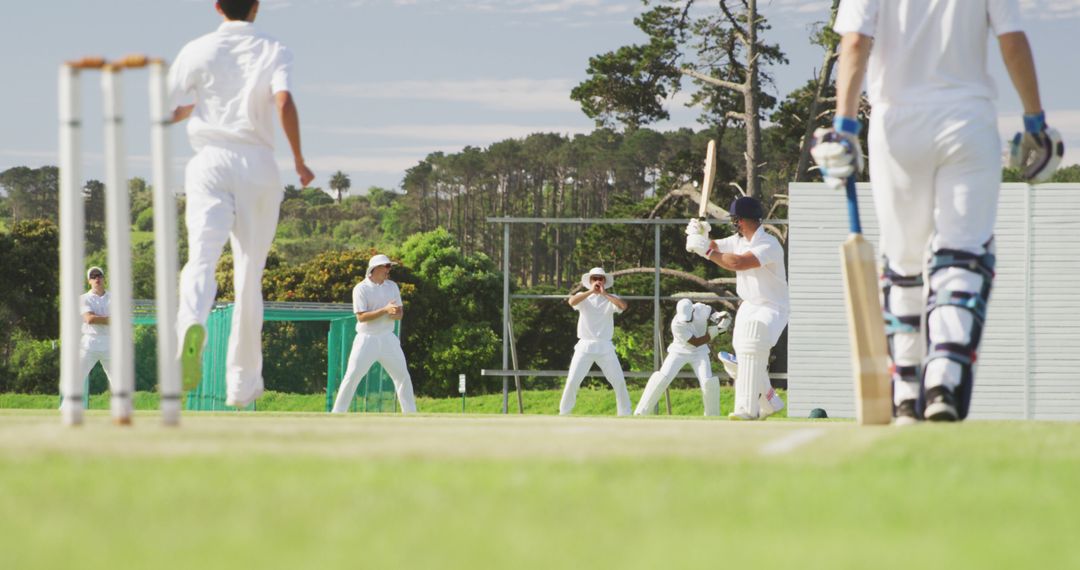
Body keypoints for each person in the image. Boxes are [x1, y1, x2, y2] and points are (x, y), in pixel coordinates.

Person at [810, 0, 1061, 423]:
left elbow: (854, 43)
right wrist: (1035, 121)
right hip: (967, 120)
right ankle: (943, 377)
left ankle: (906, 390)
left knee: (904, 260)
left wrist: (845, 126)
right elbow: (1013, 41)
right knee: (961, 253)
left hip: (897, 125)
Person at [167, 0, 315, 408]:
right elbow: (283, 102)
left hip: (208, 161)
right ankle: (241, 384)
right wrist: (299, 160)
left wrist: (188, 112)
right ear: (256, 7)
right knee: (249, 273)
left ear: (217, 7)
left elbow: (170, 109)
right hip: (258, 165)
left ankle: (189, 332)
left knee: (200, 257)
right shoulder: (273, 48)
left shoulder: (196, 49)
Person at [686, 197, 789, 420]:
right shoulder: (738, 240)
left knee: (752, 348)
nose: (735, 224)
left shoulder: (769, 244)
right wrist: (700, 235)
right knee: (744, 357)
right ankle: (769, 400)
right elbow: (714, 246)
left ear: (743, 220)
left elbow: (737, 263)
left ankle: (746, 410)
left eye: (736, 220)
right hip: (749, 306)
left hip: (773, 307)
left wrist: (705, 250)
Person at [331, 254, 417, 414]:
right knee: (352, 377)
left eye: (389, 267)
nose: (388, 270)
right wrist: (384, 310)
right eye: (386, 266)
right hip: (366, 339)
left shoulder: (392, 286)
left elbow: (399, 314)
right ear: (375, 268)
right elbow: (361, 317)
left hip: (388, 339)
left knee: (403, 376)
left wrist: (394, 313)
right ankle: (337, 413)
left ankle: (411, 414)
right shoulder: (361, 289)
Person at [634, 299, 729, 417]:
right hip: (679, 351)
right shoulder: (676, 324)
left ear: (693, 310)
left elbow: (711, 312)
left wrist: (720, 317)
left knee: (707, 382)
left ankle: (712, 416)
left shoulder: (700, 308)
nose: (686, 320)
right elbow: (695, 342)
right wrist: (717, 332)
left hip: (700, 353)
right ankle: (641, 412)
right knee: (662, 378)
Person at [559, 267, 633, 416]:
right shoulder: (583, 296)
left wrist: (604, 294)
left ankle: (625, 414)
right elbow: (571, 301)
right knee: (573, 380)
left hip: (605, 346)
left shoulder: (611, 297)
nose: (598, 281)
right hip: (584, 346)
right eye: (595, 278)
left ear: (604, 281)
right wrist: (591, 292)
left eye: (600, 278)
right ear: (590, 281)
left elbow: (623, 306)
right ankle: (564, 413)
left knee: (619, 382)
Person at [60, 267, 125, 418]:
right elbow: (89, 319)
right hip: (89, 342)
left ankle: (122, 411)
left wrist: (101, 318)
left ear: (104, 278)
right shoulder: (84, 298)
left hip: (110, 342)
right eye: (93, 276)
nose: (97, 279)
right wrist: (109, 319)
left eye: (99, 276)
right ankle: (65, 408)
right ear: (89, 280)